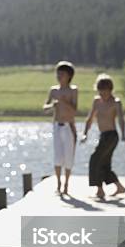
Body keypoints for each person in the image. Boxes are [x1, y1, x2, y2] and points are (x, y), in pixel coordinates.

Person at [81, 73, 125, 200]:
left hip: (111, 136)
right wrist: (85, 133)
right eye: (100, 91)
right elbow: (89, 119)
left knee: (95, 159)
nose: (102, 94)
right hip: (103, 135)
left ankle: (100, 190)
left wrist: (124, 135)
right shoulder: (96, 101)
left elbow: (121, 120)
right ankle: (119, 187)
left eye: (105, 91)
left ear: (110, 89)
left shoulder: (116, 102)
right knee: (104, 163)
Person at [43, 61, 78, 195]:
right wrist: (53, 105)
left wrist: (64, 102)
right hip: (57, 126)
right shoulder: (53, 90)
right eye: (58, 73)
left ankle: (66, 184)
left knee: (68, 157)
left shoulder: (73, 90)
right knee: (57, 156)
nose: (59, 76)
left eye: (62, 74)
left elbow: (75, 111)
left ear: (69, 75)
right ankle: (58, 183)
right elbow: (45, 108)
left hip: (69, 126)